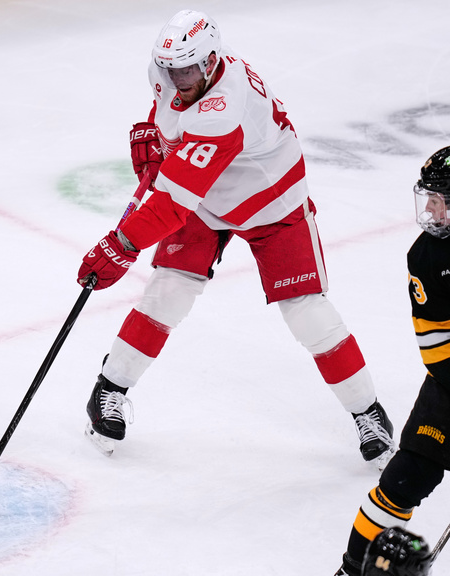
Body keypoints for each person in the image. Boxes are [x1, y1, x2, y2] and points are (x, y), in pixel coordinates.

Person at [76, 9, 394, 465]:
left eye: (187, 69)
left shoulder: (224, 107)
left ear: (210, 62)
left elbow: (171, 205)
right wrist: (157, 137)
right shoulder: (171, 71)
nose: (177, 78)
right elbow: (167, 110)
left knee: (307, 312)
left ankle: (368, 412)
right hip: (206, 199)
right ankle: (109, 391)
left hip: (271, 199)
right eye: (171, 69)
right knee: (169, 292)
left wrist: (121, 245)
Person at [334, 147, 450, 576]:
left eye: (442, 202)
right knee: (405, 478)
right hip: (449, 387)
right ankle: (352, 569)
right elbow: (437, 347)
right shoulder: (428, 257)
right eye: (430, 200)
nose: (431, 211)